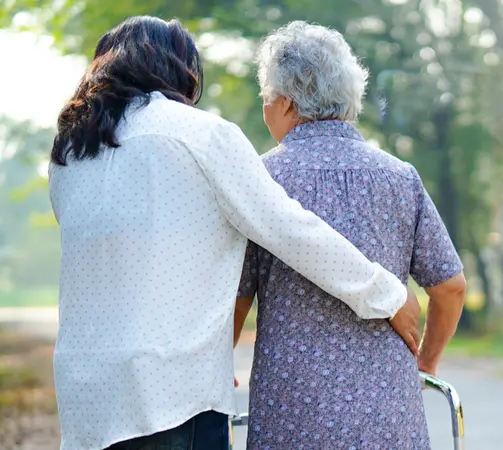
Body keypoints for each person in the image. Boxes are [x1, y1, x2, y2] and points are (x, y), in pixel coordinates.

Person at [48, 16, 423, 450]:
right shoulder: (201, 135)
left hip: (83, 392)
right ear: (176, 69)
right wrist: (386, 294)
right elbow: (290, 230)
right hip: (168, 393)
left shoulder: (70, 151)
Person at [233, 21, 467, 449]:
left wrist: (218, 364)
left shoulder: (259, 181)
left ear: (285, 103)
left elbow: (236, 296)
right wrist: (426, 361)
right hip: (389, 417)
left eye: (266, 97)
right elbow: (450, 287)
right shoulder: (400, 178)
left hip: (292, 417)